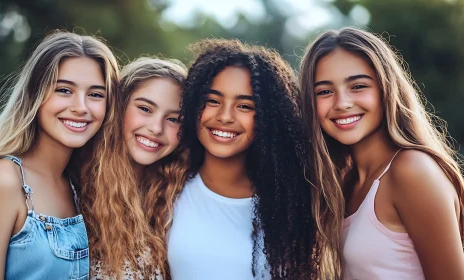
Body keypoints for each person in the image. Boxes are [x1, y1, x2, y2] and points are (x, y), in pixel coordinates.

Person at [164, 39, 340, 280]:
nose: (225, 116)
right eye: (213, 101)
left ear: (268, 118)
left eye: (245, 106)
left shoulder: (295, 201)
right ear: (194, 104)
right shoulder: (164, 189)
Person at [298, 27, 464, 279]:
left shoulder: (411, 170)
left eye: (358, 86)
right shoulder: (344, 180)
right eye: (324, 91)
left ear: (386, 89)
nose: (342, 103)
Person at [0, 31, 119, 279]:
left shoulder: (86, 186)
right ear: (35, 95)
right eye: (64, 90)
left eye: (95, 94)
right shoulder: (2, 180)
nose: (81, 107)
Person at [79, 57, 188, 279]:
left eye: (174, 119)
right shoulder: (76, 186)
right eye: (145, 109)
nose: (156, 128)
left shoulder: (176, 198)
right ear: (119, 106)